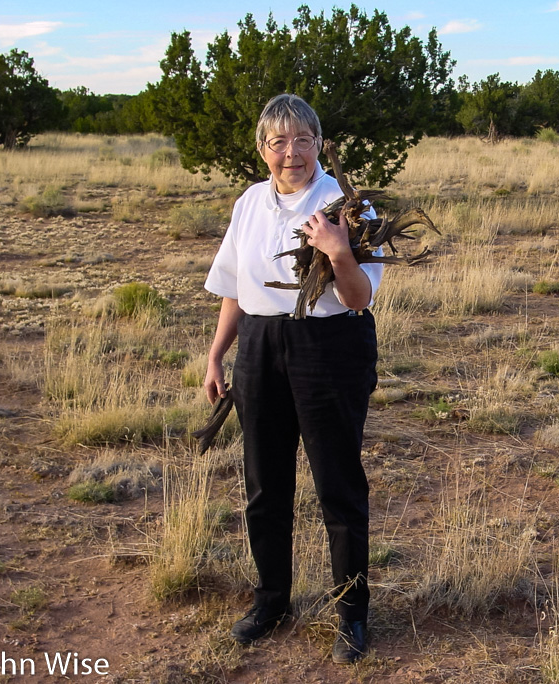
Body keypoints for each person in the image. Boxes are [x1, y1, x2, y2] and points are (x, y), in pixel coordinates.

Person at [202, 93, 381, 665]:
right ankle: (272, 601)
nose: (292, 153)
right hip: (259, 345)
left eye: (303, 139)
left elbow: (359, 299)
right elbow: (234, 287)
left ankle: (351, 615)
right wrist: (217, 355)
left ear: (319, 145)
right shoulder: (251, 203)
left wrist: (340, 251)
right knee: (264, 484)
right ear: (262, 150)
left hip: (329, 347)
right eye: (278, 142)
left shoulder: (350, 205)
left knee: (337, 486)